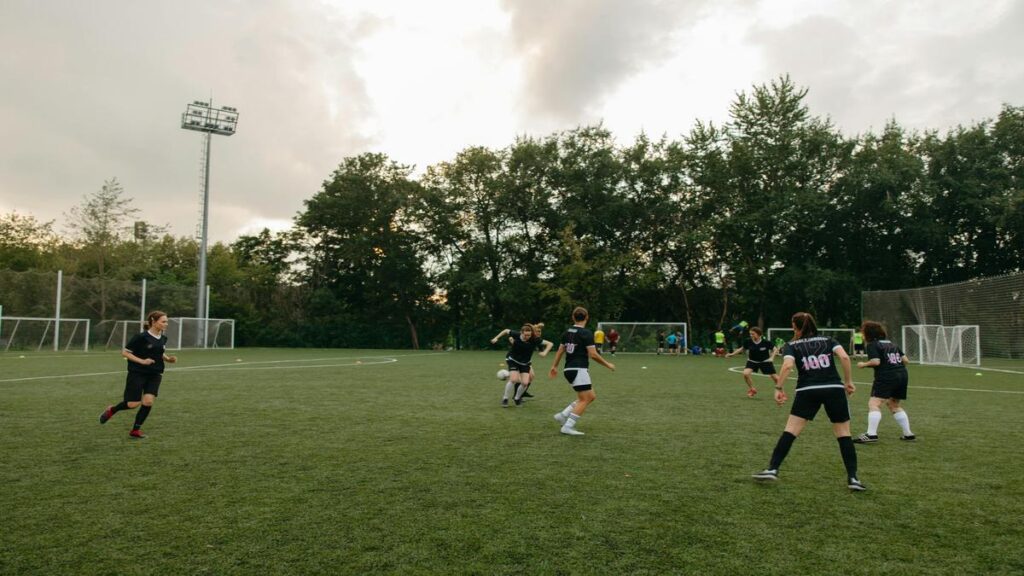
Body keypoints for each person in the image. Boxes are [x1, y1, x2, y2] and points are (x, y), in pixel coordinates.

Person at [752, 312, 866, 491]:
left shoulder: (792, 345)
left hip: (807, 390)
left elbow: (788, 366)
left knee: (790, 431)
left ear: (795, 326)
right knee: (844, 434)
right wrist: (848, 381)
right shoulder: (829, 340)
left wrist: (779, 388)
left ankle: (772, 469)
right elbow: (844, 357)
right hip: (834, 389)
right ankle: (853, 478)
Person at [98, 310, 178, 439]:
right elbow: (125, 353)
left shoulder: (163, 338)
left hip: (155, 373)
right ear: (153, 321)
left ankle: (135, 430)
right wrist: (143, 361)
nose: (166, 324)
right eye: (163, 321)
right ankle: (112, 410)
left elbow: (159, 352)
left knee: (148, 402)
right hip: (138, 373)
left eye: (166, 321)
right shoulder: (141, 337)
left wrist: (168, 359)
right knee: (132, 404)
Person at [548, 306, 615, 435]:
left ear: (573, 317)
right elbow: (593, 355)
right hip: (579, 369)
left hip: (568, 369)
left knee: (590, 396)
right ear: (587, 317)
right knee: (585, 399)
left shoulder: (566, 332)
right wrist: (608, 365)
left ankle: (563, 415)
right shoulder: (586, 333)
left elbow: (560, 350)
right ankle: (567, 426)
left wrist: (554, 366)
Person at [853, 321, 915, 443]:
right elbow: (906, 360)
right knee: (894, 404)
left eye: (863, 331)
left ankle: (871, 434)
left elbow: (876, 361)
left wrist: (863, 364)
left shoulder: (872, 344)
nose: (862, 334)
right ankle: (908, 433)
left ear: (869, 333)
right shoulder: (892, 344)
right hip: (902, 375)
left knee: (874, 404)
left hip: (887, 376)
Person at [491, 324, 553, 407]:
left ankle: (517, 398)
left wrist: (545, 352)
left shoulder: (534, 339)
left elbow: (550, 344)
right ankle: (505, 399)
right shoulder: (516, 335)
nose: (527, 337)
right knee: (513, 379)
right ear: (521, 333)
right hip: (513, 360)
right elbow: (506, 330)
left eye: (529, 335)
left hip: (525, 363)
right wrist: (496, 338)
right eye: (526, 335)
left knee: (525, 383)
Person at [725, 327, 779, 397]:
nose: (751, 335)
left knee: (776, 378)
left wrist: (772, 357)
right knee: (745, 374)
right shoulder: (748, 341)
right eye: (750, 334)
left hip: (765, 361)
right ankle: (752, 389)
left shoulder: (766, 342)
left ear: (759, 334)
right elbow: (741, 349)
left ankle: (781, 392)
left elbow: (775, 350)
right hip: (752, 361)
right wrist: (732, 354)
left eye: (753, 334)